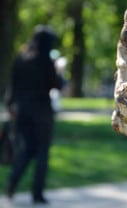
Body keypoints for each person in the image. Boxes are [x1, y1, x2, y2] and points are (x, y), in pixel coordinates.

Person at [5, 25, 64, 204]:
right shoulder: (46, 61)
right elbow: (56, 85)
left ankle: (11, 184)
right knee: (42, 153)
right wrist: (59, 73)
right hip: (42, 113)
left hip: (22, 111)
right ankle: (37, 193)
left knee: (27, 149)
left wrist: (11, 106)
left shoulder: (21, 59)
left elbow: (12, 86)